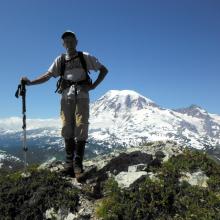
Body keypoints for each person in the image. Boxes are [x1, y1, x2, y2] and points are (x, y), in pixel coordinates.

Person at [21, 31, 108, 178]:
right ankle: (69, 164)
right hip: (66, 96)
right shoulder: (60, 60)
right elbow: (48, 75)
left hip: (81, 95)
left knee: (81, 126)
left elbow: (103, 70)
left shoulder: (85, 56)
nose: (69, 43)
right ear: (63, 44)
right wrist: (30, 83)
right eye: (66, 41)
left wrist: (93, 87)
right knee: (67, 126)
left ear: (76, 42)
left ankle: (77, 165)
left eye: (71, 40)